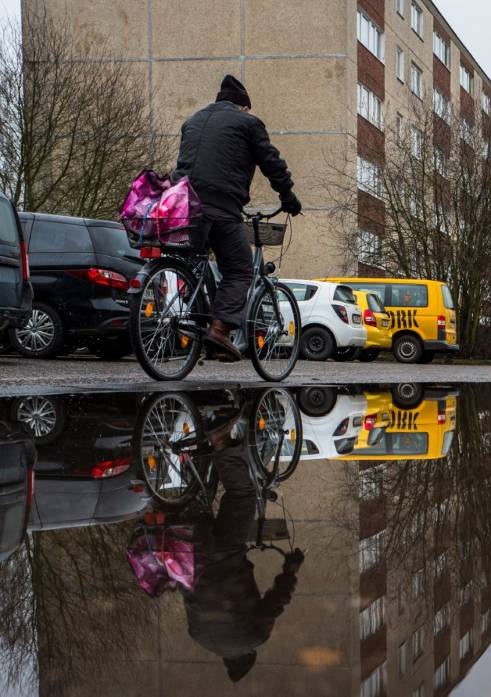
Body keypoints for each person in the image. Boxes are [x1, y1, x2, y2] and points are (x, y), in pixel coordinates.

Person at [173, 75, 302, 362]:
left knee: (196, 264)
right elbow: (272, 163)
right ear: (244, 107)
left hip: (182, 203)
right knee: (239, 269)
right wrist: (288, 198)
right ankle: (219, 329)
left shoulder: (192, 121)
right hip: (219, 205)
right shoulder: (248, 124)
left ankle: (202, 327)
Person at [182, 419, 304, 683]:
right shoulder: (200, 638)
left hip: (225, 552)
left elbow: (276, 602)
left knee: (242, 495)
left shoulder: (253, 638)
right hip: (192, 558)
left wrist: (290, 571)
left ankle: (221, 440)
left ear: (247, 655)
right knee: (195, 502)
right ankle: (191, 450)